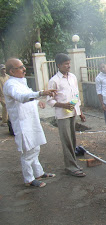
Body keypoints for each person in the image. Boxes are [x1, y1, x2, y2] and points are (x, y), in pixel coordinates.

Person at [3, 58, 56, 187]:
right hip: (23, 124)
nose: (24, 69)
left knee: (35, 147)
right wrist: (41, 93)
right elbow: (21, 97)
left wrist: (37, 101)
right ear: (12, 71)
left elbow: (27, 95)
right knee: (27, 152)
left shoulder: (21, 82)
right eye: (20, 67)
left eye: (23, 66)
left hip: (31, 121)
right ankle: (29, 179)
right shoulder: (10, 85)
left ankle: (38, 172)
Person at [47, 53, 86, 177]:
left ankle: (73, 163)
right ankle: (70, 167)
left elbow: (75, 96)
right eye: (66, 64)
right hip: (62, 115)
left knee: (73, 139)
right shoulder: (54, 81)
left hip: (73, 112)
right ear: (59, 65)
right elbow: (50, 100)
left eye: (69, 63)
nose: (69, 66)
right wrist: (63, 105)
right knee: (66, 140)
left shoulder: (73, 77)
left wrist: (80, 112)